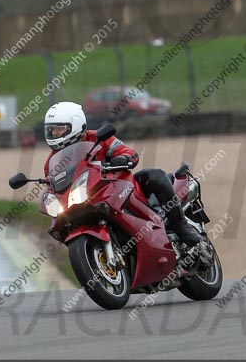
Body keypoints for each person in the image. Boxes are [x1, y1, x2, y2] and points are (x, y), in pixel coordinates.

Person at [42, 101, 204, 251]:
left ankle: (182, 227)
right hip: (87, 201)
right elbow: (54, 186)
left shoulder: (98, 138)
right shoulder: (51, 162)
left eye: (59, 129)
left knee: (154, 175)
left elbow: (128, 152)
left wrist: (123, 158)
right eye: (51, 130)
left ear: (76, 125)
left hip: (117, 188)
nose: (54, 133)